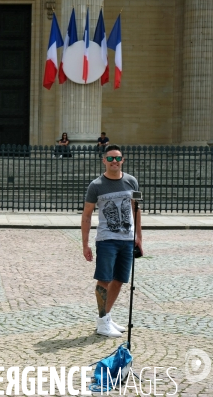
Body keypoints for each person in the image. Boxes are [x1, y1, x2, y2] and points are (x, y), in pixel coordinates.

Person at [81, 144, 142, 338]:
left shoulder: (132, 181)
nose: (114, 161)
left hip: (127, 239)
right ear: (104, 161)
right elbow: (87, 215)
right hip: (107, 239)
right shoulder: (96, 185)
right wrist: (85, 244)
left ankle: (106, 317)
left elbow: (136, 210)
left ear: (122, 160)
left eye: (117, 158)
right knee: (104, 279)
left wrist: (139, 236)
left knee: (120, 279)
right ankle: (101, 322)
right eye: (110, 158)